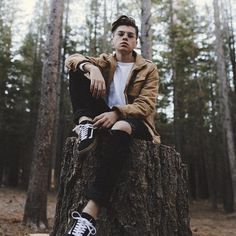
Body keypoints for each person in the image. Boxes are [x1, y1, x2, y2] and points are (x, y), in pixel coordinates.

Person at [64, 15, 160, 236]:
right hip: (102, 119)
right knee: (77, 71)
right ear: (113, 38)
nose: (125, 38)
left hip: (136, 122)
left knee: (121, 128)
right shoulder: (105, 61)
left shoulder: (148, 68)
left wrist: (118, 113)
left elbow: (146, 104)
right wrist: (91, 67)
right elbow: (71, 59)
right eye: (121, 34)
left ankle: (90, 214)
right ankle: (85, 125)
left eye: (130, 35)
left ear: (136, 42)